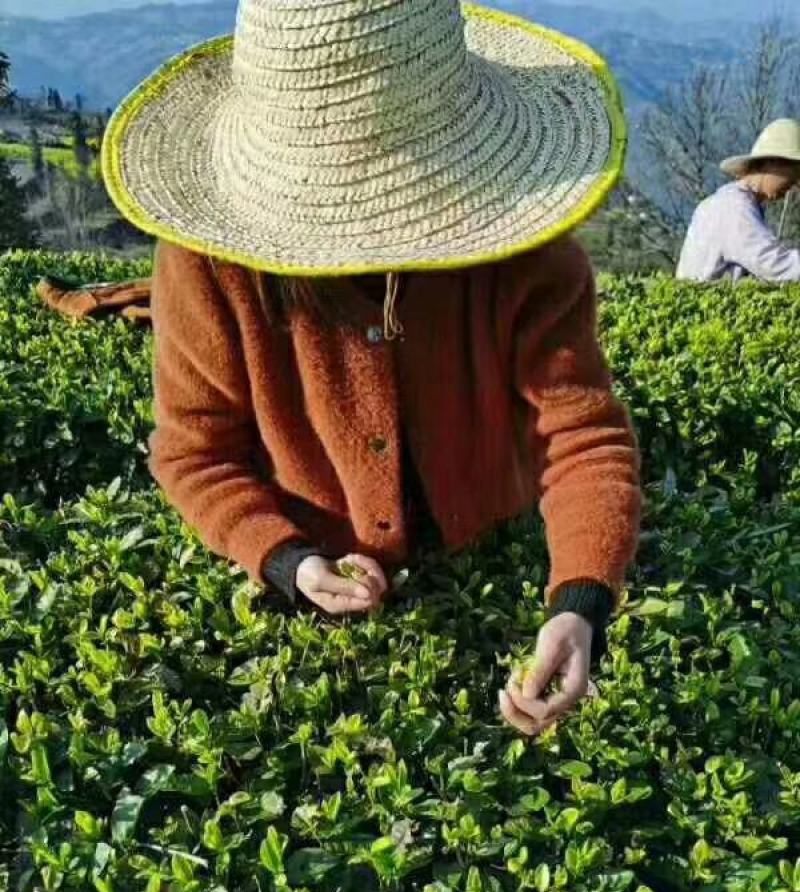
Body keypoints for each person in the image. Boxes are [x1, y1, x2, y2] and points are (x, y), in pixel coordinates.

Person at [100, 0, 641, 738]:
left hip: (488, 529)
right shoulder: (207, 266)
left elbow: (583, 435)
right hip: (313, 540)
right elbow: (193, 451)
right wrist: (287, 559)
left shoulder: (531, 256)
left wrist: (580, 605)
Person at [677, 118, 800, 283]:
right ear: (772, 163)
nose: (794, 184)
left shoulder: (728, 202)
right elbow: (775, 266)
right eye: (794, 174)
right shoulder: (734, 209)